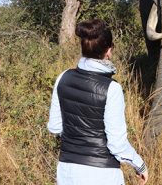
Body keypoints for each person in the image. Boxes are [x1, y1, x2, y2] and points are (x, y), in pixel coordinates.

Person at [47, 19, 148, 185]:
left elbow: (55, 127)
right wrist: (140, 165)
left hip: (66, 171)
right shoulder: (112, 89)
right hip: (102, 173)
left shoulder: (62, 77)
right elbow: (117, 144)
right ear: (108, 51)